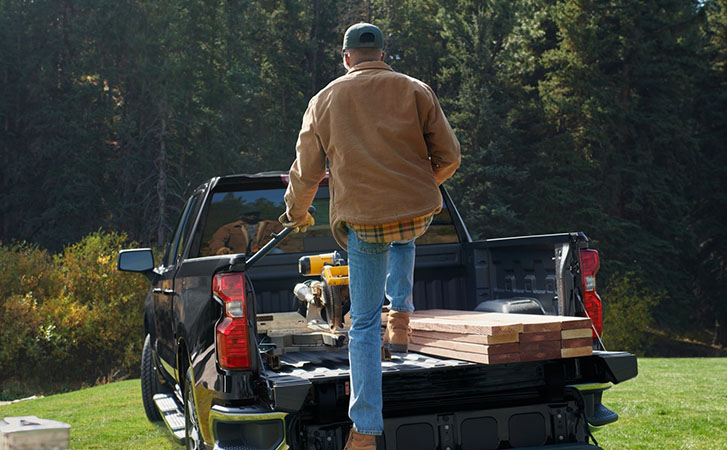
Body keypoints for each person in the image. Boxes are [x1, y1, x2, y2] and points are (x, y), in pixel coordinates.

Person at [279, 22, 460, 450]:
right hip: (413, 210)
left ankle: (364, 431)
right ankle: (401, 314)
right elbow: (450, 156)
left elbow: (305, 174)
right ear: (382, 54)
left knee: (361, 325)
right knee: (405, 226)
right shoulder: (416, 90)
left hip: (363, 223)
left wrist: (296, 214)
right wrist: (423, 185)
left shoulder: (323, 100)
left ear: (346, 58)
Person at [204, 211, 282, 256]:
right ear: (242, 215)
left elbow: (287, 239)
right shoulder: (229, 228)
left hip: (267, 258)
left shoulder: (272, 225)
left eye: (255, 214)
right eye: (248, 214)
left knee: (277, 252)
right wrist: (221, 250)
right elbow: (217, 240)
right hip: (240, 261)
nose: (252, 216)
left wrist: (263, 247)